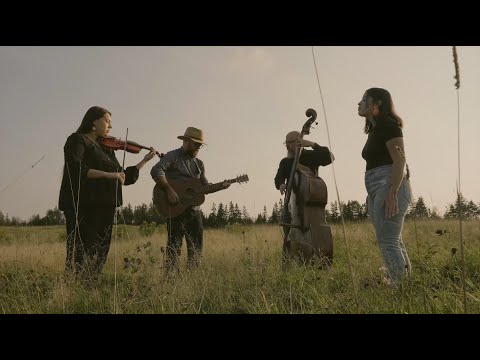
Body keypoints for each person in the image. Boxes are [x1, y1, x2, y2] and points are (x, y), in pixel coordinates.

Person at [58, 106, 157, 279]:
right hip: (83, 204)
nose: (110, 126)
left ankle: (91, 283)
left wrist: (144, 160)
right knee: (80, 249)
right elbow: (76, 168)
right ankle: (73, 284)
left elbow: (124, 177)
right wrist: (108, 175)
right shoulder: (77, 140)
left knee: (101, 249)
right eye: (107, 121)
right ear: (93, 121)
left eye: (111, 123)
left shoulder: (107, 148)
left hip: (106, 205)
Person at [151, 127, 230, 272]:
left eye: (200, 145)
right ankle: (170, 280)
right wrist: (169, 190)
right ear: (186, 141)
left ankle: (192, 280)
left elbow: (205, 186)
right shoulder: (172, 156)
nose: (198, 147)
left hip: (194, 212)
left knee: (196, 249)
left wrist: (221, 186)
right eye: (196, 144)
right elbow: (156, 170)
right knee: (174, 248)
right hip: (175, 210)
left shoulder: (199, 164)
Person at [358, 87, 412, 286]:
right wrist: (371, 194)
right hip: (377, 189)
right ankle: (405, 284)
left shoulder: (389, 125)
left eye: (364, 99)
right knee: (392, 240)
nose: (359, 102)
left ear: (377, 103)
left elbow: (400, 161)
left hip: (389, 186)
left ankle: (397, 287)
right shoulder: (375, 130)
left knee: (388, 242)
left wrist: (392, 191)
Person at [274, 131, 334, 259]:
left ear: (299, 142)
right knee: (288, 236)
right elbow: (278, 178)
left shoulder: (311, 156)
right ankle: (288, 264)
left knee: (312, 234)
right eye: (286, 143)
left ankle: (315, 259)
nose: (286, 146)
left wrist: (312, 144)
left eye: (289, 143)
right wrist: (281, 184)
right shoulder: (285, 162)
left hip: (310, 204)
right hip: (290, 206)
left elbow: (330, 157)